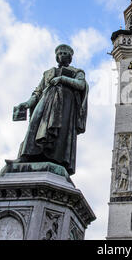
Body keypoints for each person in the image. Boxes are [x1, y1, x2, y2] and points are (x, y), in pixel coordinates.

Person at [15, 44, 88, 175]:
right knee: (35, 124)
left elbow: (81, 85)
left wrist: (62, 79)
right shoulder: (48, 73)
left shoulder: (77, 72)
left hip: (65, 104)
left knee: (60, 132)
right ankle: (26, 155)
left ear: (70, 57)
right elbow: (37, 92)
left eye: (65, 53)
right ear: (56, 56)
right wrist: (26, 104)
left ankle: (55, 158)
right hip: (46, 101)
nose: (62, 55)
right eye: (60, 53)